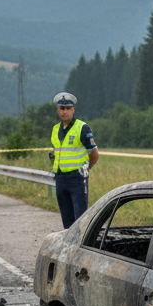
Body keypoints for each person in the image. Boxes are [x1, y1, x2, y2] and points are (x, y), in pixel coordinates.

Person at [50, 91, 98, 229]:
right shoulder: (55, 129)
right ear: (58, 110)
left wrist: (85, 169)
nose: (65, 112)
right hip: (60, 179)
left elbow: (94, 154)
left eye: (68, 108)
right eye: (62, 108)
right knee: (67, 221)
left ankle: (80, 248)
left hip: (77, 178)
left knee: (81, 219)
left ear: (73, 109)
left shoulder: (82, 128)